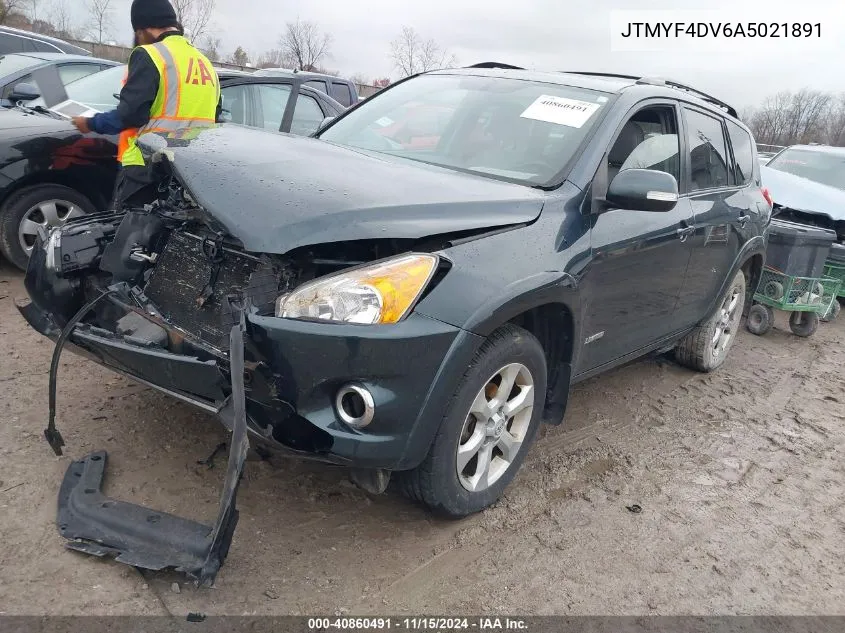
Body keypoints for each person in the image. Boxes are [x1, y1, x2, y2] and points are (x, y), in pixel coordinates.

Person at [71, 0, 221, 208]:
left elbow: (130, 115)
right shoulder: (205, 64)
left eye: (138, 34)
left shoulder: (151, 55)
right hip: (188, 176)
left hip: (147, 169)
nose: (139, 40)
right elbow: (215, 116)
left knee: (128, 235)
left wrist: (90, 123)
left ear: (143, 28)